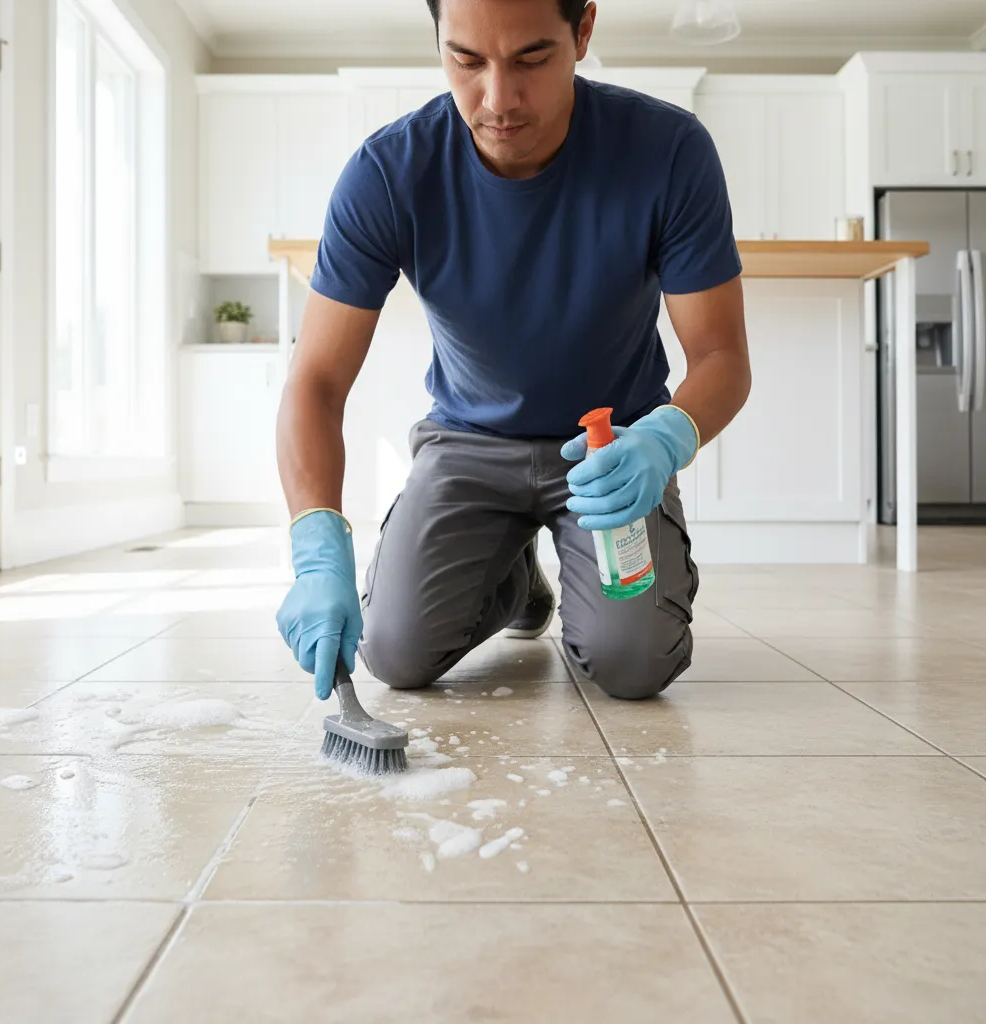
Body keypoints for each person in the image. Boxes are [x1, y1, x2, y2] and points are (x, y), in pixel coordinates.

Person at [275, 0, 751, 703]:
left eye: (531, 58)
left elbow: (722, 358)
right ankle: (516, 580)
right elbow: (315, 379)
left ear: (583, 31)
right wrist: (316, 550)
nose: (497, 100)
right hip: (467, 443)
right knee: (394, 653)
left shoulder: (668, 150)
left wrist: (663, 439)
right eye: (466, 60)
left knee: (634, 665)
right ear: (437, 40)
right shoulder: (388, 173)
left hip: (608, 450)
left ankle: (547, 567)